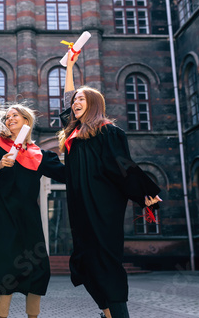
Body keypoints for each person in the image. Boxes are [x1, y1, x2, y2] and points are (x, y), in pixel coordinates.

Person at [57, 53, 162, 318]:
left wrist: (145, 193)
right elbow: (67, 96)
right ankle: (108, 312)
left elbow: (123, 166)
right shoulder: (74, 134)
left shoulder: (108, 131)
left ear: (93, 105)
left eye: (82, 99)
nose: (75, 102)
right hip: (81, 210)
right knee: (84, 262)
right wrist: (69, 66)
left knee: (105, 261)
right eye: (75, 100)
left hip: (103, 208)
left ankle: (117, 313)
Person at [0, 104, 67, 318]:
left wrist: (75, 146)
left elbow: (67, 174)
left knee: (36, 269)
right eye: (7, 117)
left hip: (28, 218)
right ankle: (2, 316)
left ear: (27, 120)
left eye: (15, 115)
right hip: (2, 216)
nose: (9, 119)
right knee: (5, 268)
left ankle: (33, 316)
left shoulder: (40, 154)